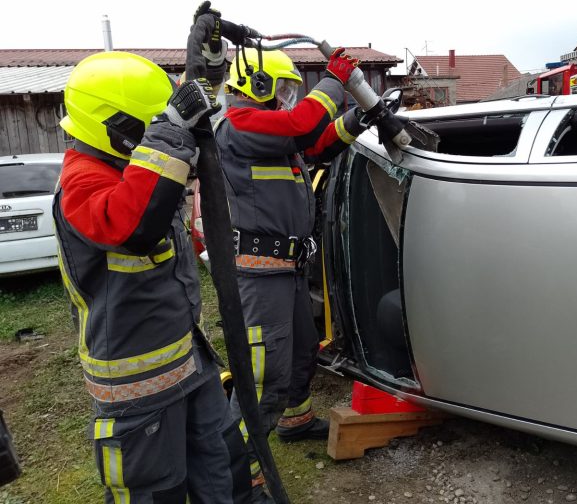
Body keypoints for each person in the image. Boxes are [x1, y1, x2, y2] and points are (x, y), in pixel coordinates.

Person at [54, 45, 252, 503]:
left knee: (217, 468)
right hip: (135, 386)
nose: (151, 136)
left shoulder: (131, 166)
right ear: (114, 127)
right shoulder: (82, 179)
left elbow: (180, 152)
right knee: (154, 491)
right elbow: (133, 226)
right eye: (145, 127)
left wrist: (210, 74)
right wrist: (168, 130)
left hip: (187, 360)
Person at [214, 45, 367, 498]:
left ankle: (295, 421)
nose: (285, 99)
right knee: (264, 374)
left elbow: (317, 143)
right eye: (281, 89)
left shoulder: (270, 135)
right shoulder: (239, 125)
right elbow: (303, 125)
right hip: (261, 276)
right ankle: (241, 475)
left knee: (301, 352)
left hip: (288, 269)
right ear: (255, 85)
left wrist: (358, 119)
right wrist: (334, 81)